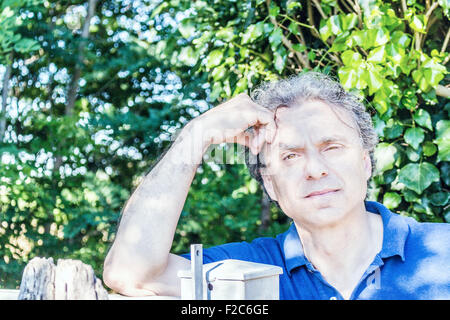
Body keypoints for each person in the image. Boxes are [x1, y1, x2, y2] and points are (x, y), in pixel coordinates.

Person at [103, 72, 450, 300]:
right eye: (291, 156)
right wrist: (193, 138)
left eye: (331, 147)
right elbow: (130, 273)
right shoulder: (247, 274)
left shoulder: (442, 251)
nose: (315, 169)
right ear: (269, 184)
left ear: (365, 162)